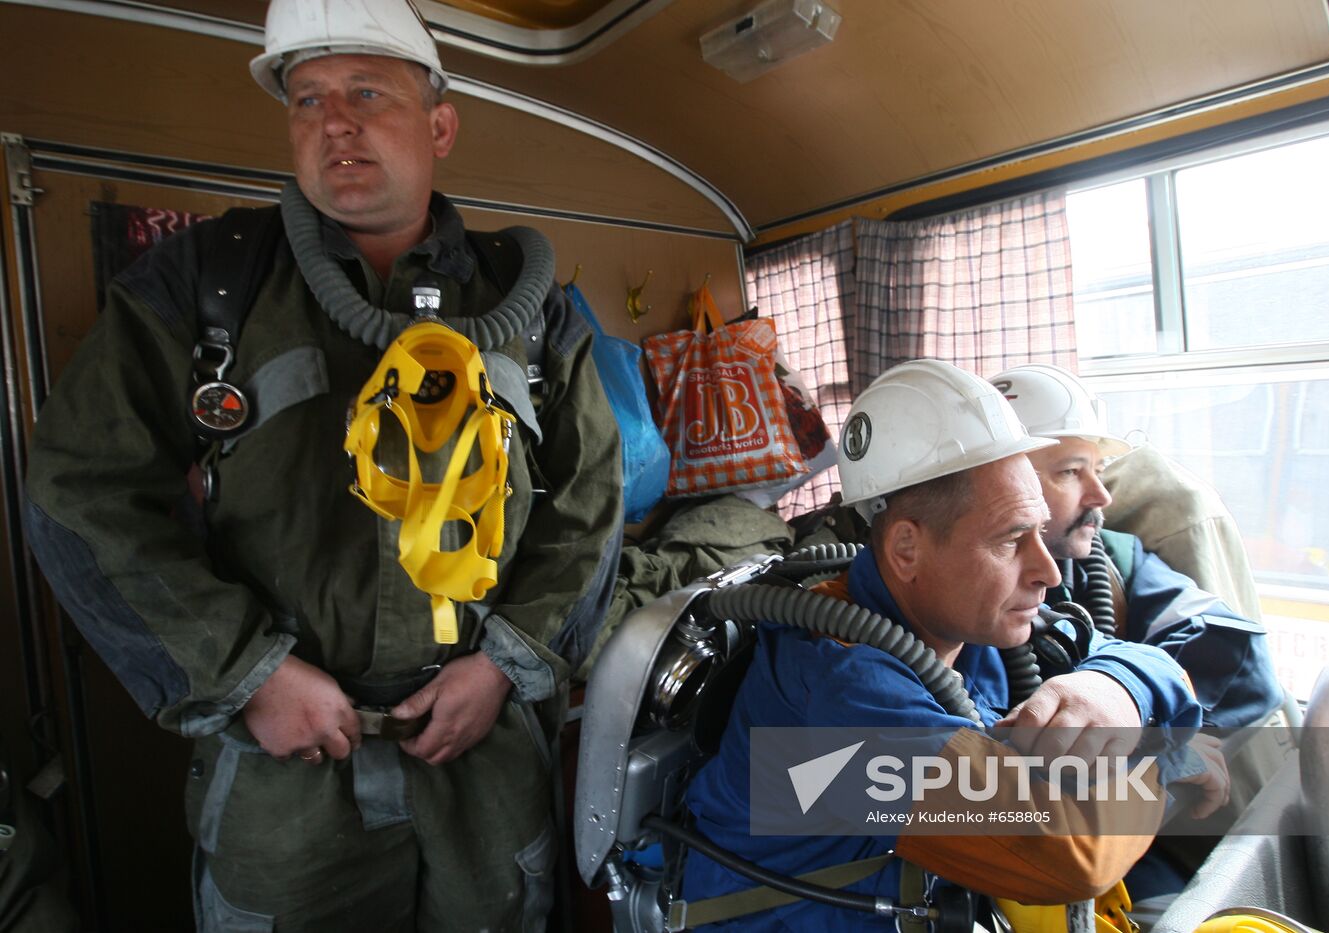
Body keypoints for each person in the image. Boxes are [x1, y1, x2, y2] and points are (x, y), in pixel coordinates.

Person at [21, 0, 623, 929]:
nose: (333, 120)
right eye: (305, 99)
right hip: (286, 779)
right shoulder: (209, 282)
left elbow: (589, 501)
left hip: (481, 756)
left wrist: (507, 663)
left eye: (367, 91)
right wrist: (246, 673)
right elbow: (77, 490)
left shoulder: (527, 300)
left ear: (441, 125)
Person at [681, 359, 1220, 931]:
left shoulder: (970, 623)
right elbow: (1068, 850)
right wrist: (1164, 759)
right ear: (907, 550)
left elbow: (1131, 656)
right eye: (1011, 539)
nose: (1049, 573)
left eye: (1039, 531)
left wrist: (1113, 686)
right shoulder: (841, 700)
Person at [989, 364, 1284, 731]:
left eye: (1099, 469)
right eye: (1071, 472)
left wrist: (1130, 706)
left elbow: (1237, 656)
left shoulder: (1120, 562)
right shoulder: (951, 596)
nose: (1101, 495)